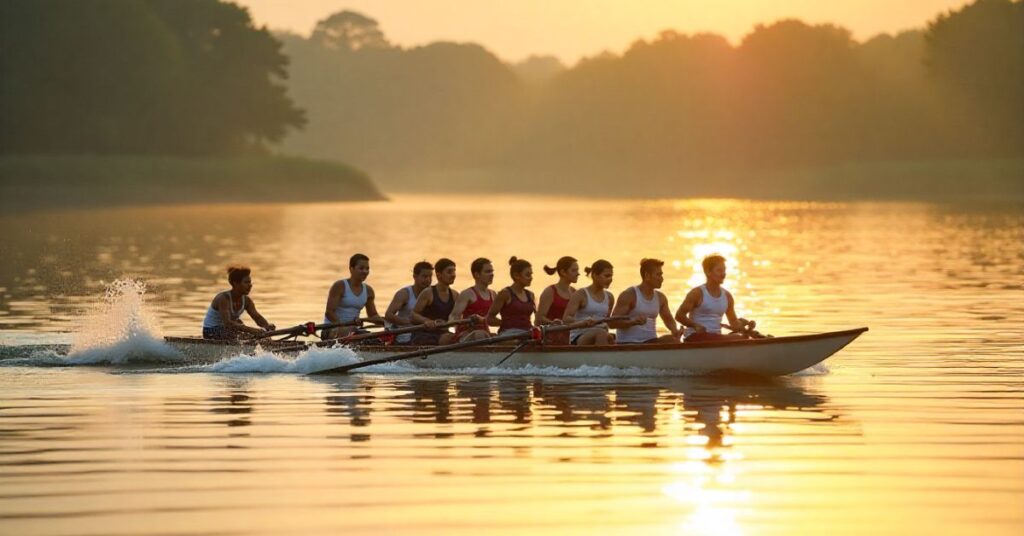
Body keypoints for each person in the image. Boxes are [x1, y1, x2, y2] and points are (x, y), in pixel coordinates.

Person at [675, 254, 758, 342]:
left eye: (724, 270)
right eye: (719, 270)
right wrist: (695, 325)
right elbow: (679, 316)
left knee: (743, 337)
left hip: (716, 337)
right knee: (738, 338)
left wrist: (746, 325)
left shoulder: (727, 296)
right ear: (708, 272)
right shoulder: (697, 293)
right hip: (695, 337)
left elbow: (733, 322)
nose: (723, 274)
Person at [609, 258, 682, 343]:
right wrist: (632, 322)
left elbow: (668, 319)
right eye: (658, 275)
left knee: (672, 340)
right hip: (629, 343)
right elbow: (612, 323)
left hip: (651, 341)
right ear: (647, 276)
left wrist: (675, 331)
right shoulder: (629, 295)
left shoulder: (661, 298)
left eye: (661, 275)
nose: (662, 279)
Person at [201, 266, 276, 340]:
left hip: (227, 331)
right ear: (235, 283)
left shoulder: (247, 301)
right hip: (210, 331)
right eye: (246, 282)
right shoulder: (223, 298)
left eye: (250, 282)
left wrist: (267, 327)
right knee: (247, 335)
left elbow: (257, 318)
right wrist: (252, 330)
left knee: (262, 337)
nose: (250, 285)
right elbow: (228, 323)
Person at [323, 253, 384, 339]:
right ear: (351, 269)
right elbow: (329, 312)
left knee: (377, 339)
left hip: (353, 331)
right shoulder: (340, 286)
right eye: (361, 268)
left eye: (367, 268)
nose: (365, 272)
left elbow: (372, 315)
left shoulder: (369, 291)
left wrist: (388, 323)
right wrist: (344, 326)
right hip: (331, 329)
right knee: (353, 334)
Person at [562, 259, 616, 345]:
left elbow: (607, 321)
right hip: (579, 337)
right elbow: (566, 319)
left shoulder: (610, 297)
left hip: (601, 335)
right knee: (601, 333)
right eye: (606, 276)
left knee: (610, 337)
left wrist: (633, 321)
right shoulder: (580, 294)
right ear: (595, 275)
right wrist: (582, 322)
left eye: (611, 276)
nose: (610, 279)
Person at [410, 258, 459, 345]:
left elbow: (457, 317)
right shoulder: (428, 293)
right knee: (448, 339)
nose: (453, 275)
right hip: (424, 334)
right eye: (449, 272)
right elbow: (413, 315)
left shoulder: (455, 295)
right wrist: (426, 321)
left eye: (454, 271)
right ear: (439, 275)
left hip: (444, 333)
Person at [487, 257, 536, 341]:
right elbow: (489, 318)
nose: (531, 278)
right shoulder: (505, 294)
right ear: (516, 275)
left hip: (527, 333)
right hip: (509, 334)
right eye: (528, 275)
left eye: (531, 274)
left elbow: (537, 319)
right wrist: (506, 323)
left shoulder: (531, 295)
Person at [384, 261, 433, 345]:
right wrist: (407, 322)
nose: (428, 280)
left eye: (430, 277)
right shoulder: (404, 294)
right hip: (405, 337)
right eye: (424, 276)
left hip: (425, 335)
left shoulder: (431, 294)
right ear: (415, 276)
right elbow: (388, 315)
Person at [450, 257, 498, 342]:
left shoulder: (494, 294)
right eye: (487, 272)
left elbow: (496, 319)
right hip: (466, 335)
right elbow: (454, 316)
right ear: (477, 274)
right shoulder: (467, 294)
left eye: (492, 271)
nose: (492, 274)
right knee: (479, 334)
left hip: (484, 334)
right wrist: (458, 328)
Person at [536, 256, 578, 345]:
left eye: (577, 270)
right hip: (551, 336)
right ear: (563, 272)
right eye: (574, 271)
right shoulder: (550, 291)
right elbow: (539, 319)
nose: (578, 273)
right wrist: (553, 323)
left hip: (570, 335)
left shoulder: (575, 292)